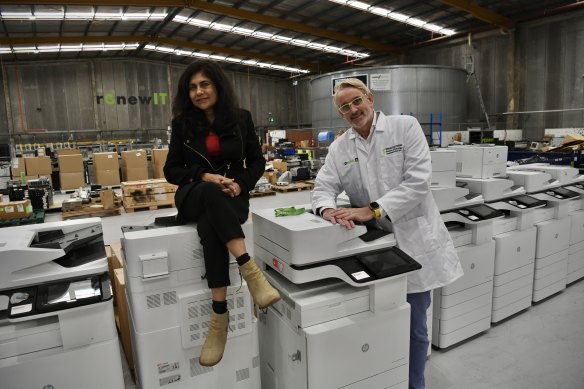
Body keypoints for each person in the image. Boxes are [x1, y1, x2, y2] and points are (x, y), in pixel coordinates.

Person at [311, 78, 463, 389]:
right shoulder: (341, 147)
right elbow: (322, 188)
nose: (353, 110)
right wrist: (327, 209)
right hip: (373, 248)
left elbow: (419, 181)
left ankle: (414, 384)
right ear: (340, 114)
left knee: (414, 327)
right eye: (345, 107)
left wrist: (373, 209)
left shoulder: (404, 127)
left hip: (414, 244)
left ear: (370, 98)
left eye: (357, 101)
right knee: (380, 325)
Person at [164, 59, 280, 367]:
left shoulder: (241, 120)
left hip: (232, 197)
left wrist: (241, 185)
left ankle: (219, 320)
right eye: (192, 87)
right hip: (194, 193)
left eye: (204, 84)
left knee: (210, 227)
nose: (198, 92)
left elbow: (256, 162)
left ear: (217, 86)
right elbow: (171, 170)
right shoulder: (182, 124)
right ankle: (249, 270)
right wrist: (204, 176)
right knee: (208, 192)